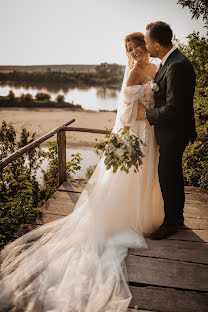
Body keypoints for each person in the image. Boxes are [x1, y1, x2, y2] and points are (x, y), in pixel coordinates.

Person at [0, 32, 164, 311]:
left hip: (152, 131)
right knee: (130, 177)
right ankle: (129, 219)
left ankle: (148, 215)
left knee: (149, 174)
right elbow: (125, 107)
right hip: (137, 131)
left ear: (145, 46)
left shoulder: (156, 67)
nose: (135, 52)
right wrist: (136, 121)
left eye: (137, 47)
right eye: (130, 49)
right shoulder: (135, 71)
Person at [137, 21, 197, 239]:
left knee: (167, 175)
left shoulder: (177, 65)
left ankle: (170, 223)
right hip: (172, 130)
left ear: (156, 44)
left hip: (174, 131)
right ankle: (177, 217)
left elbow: (174, 106)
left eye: (147, 42)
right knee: (173, 174)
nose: (145, 45)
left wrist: (147, 115)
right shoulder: (169, 61)